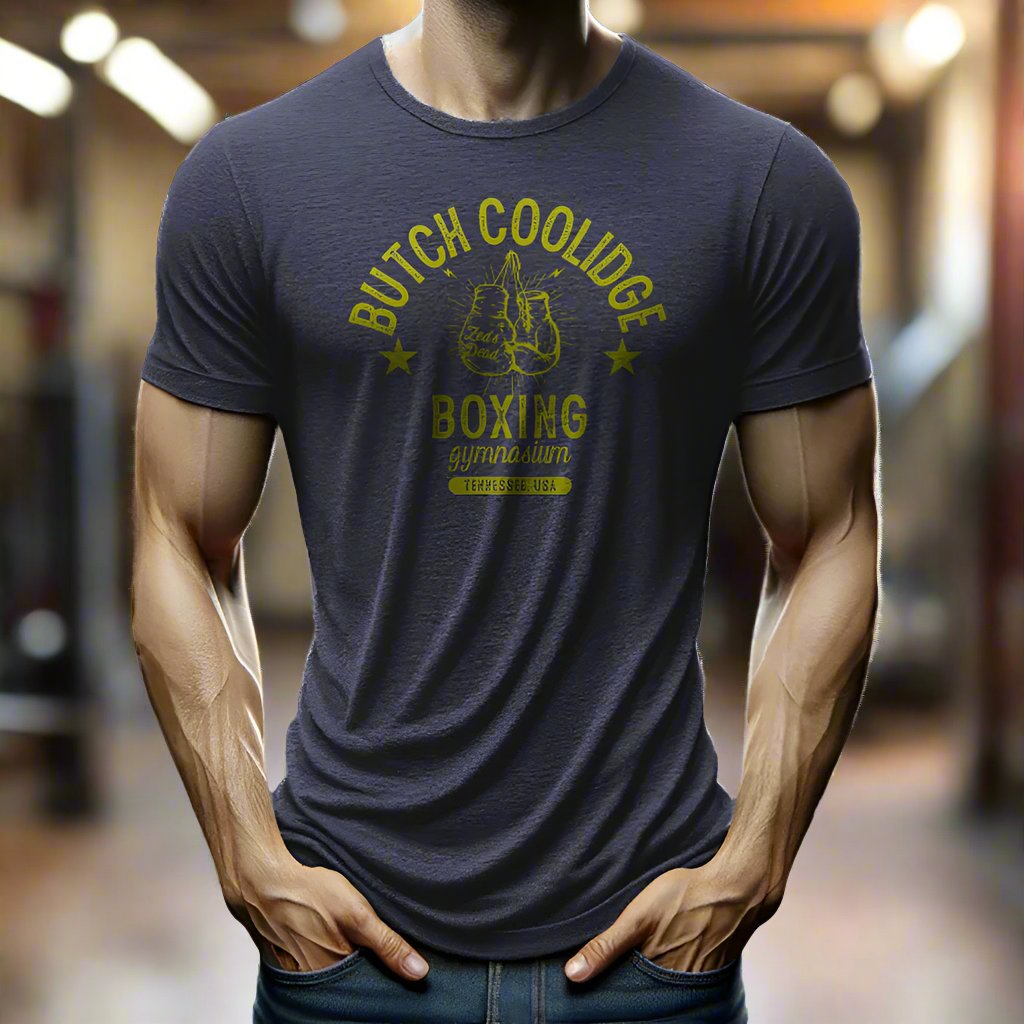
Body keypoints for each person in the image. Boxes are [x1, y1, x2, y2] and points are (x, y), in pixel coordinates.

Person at [131, 2, 881, 1021]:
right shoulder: (248, 180)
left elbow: (831, 534)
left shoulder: (761, 183)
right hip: (347, 956)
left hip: (650, 961)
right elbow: (176, 537)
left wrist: (751, 860)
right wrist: (248, 857)